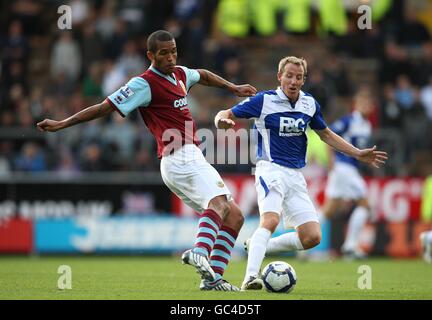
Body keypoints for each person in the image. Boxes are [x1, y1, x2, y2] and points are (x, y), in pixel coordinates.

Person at [37, 30, 257, 291]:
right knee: (219, 203)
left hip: (188, 157)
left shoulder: (180, 75)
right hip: (179, 156)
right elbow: (104, 107)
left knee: (235, 216)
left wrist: (232, 88)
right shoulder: (143, 84)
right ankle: (199, 250)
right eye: (164, 53)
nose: (171, 57)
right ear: (151, 55)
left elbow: (203, 74)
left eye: (173, 51)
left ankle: (213, 280)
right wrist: (63, 123)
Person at [214, 56, 387, 291]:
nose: (293, 81)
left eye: (298, 77)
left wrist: (356, 153)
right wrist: (221, 121)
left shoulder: (309, 104)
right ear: (280, 77)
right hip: (270, 168)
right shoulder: (264, 100)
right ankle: (250, 278)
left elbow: (325, 134)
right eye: (289, 76)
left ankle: (257, 243)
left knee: (312, 237)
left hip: (295, 174)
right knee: (271, 220)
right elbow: (226, 112)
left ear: (303, 80)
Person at [321, 87, 377, 259]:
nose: (366, 105)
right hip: (343, 168)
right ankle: (351, 245)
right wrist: (332, 163)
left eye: (369, 103)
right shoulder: (348, 120)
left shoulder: (367, 125)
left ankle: (303, 239)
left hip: (350, 169)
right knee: (365, 205)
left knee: (328, 211)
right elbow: (328, 137)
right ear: (356, 104)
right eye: (363, 102)